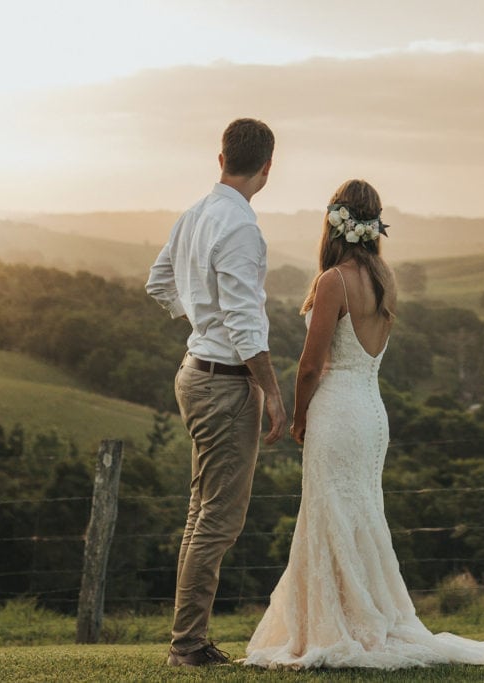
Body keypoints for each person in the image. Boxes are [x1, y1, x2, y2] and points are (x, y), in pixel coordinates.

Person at [243, 179, 484, 670]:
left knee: (331, 512)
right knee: (360, 515)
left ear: (334, 222)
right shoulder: (385, 278)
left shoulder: (333, 280)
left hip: (337, 410)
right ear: (373, 224)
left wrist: (300, 415)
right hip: (372, 412)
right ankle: (363, 616)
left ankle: (337, 626)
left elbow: (311, 365)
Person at [145, 118, 287, 667]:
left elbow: (159, 283)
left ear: (221, 156)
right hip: (225, 384)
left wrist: (199, 317)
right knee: (219, 519)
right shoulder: (241, 226)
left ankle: (189, 640)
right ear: (267, 167)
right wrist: (272, 393)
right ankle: (188, 647)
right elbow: (246, 323)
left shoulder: (194, 215)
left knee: (200, 513)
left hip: (194, 372)